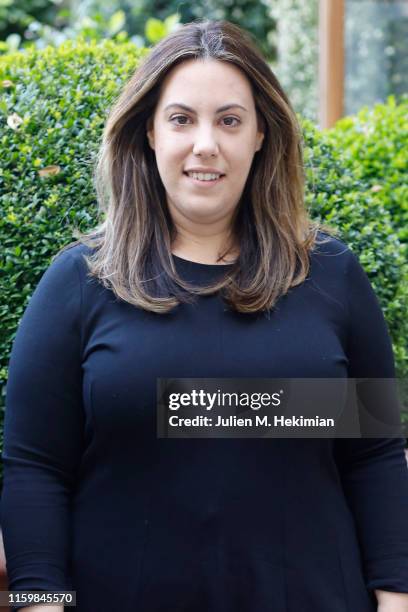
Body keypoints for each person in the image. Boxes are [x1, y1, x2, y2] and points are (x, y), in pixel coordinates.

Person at [1, 18, 408, 612]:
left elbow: (374, 458)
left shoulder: (330, 276)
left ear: (261, 135)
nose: (206, 144)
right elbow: (36, 470)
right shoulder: (80, 283)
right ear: (148, 133)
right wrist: (45, 606)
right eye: (181, 118)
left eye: (230, 120)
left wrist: (396, 602)